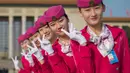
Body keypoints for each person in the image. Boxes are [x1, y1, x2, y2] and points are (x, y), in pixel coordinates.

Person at [75, 0, 130, 73]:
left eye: (97, 8)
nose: (93, 14)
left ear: (103, 8)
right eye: (87, 10)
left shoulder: (119, 34)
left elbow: (126, 67)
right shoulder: (77, 40)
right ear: (80, 13)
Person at [44, 5, 92, 73]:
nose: (58, 26)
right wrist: (52, 55)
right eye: (53, 25)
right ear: (50, 28)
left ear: (67, 19)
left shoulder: (85, 37)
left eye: (61, 21)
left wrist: (83, 44)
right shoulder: (53, 50)